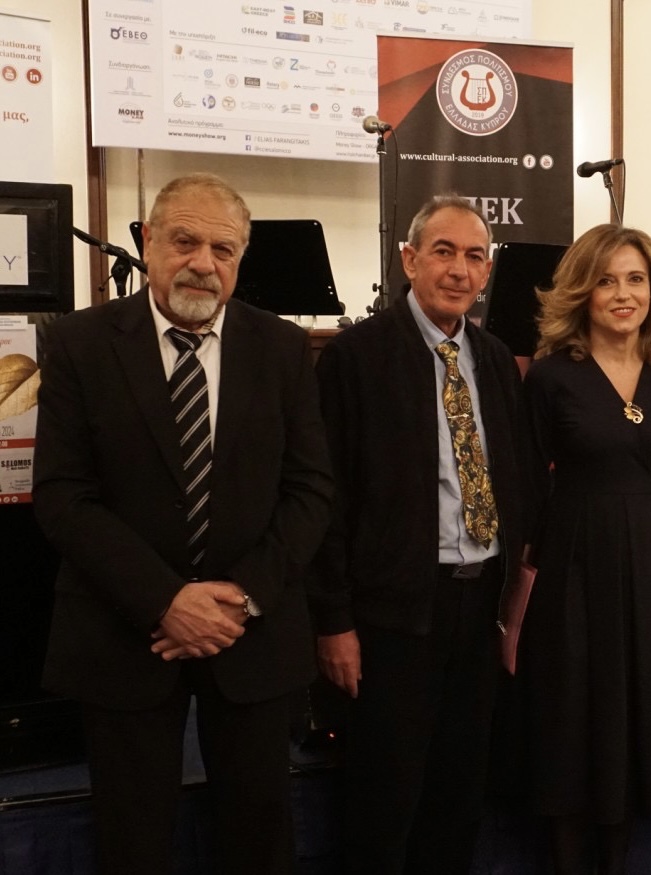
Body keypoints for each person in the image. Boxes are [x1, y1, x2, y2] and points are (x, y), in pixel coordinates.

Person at [32, 172, 334, 874]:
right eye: (185, 241)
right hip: (125, 634)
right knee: (133, 840)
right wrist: (166, 600)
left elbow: (311, 490)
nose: (203, 262)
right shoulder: (79, 343)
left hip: (250, 635)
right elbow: (63, 496)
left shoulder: (283, 350)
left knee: (260, 839)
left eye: (223, 249)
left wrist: (240, 598)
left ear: (241, 259)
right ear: (147, 241)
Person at [308, 194, 527, 874]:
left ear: (487, 271)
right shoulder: (355, 358)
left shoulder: (494, 360)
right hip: (393, 614)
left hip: (479, 606)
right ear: (409, 260)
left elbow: (514, 479)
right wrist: (334, 621)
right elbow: (325, 502)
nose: (459, 269)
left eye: (474, 256)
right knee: (384, 800)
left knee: (458, 797)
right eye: (443, 251)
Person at [520, 224, 651, 875]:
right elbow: (528, 490)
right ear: (582, 290)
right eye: (606, 280)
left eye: (636, 279)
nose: (622, 293)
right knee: (575, 719)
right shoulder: (551, 377)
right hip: (576, 570)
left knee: (638, 718)